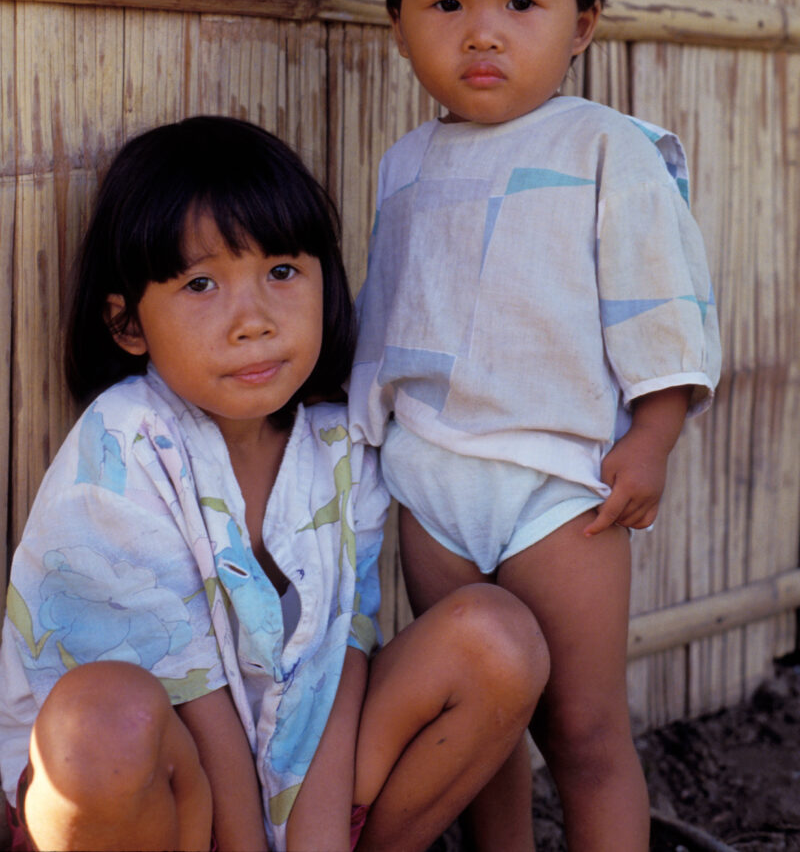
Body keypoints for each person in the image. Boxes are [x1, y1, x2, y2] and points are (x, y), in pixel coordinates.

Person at [0, 115, 549, 852]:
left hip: (294, 755)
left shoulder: (339, 438)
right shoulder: (121, 447)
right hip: (164, 799)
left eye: (282, 272)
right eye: (201, 283)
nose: (253, 320)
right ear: (129, 323)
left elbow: (343, 651)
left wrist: (317, 835)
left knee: (498, 637)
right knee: (106, 719)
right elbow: (196, 699)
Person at [348, 0, 722, 851]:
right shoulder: (405, 165)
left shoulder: (606, 149)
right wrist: (365, 443)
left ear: (580, 25)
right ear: (397, 25)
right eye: (444, 3)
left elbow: (661, 305)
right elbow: (386, 320)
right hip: (434, 478)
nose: (481, 32)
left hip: (558, 487)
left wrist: (650, 435)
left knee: (583, 726)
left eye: (519, 3)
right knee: (483, 725)